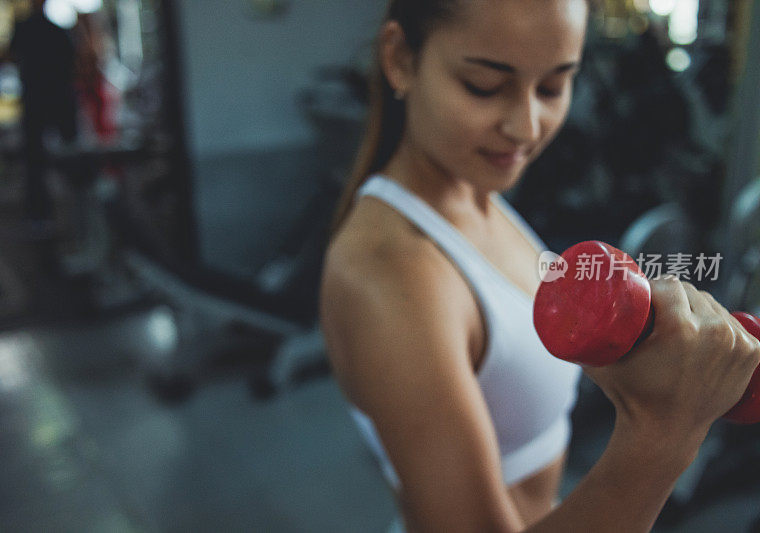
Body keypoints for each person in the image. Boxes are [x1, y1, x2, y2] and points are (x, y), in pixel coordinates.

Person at [318, 1, 760, 531]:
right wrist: (663, 433)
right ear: (400, 59)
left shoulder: (475, 191)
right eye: (484, 85)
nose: (526, 125)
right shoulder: (389, 274)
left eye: (552, 87)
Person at [9, 0, 77, 235]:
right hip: (55, 100)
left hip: (39, 100)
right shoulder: (56, 31)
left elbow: (11, 56)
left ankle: (47, 214)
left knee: (40, 161)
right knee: (63, 157)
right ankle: (70, 211)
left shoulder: (27, 28)